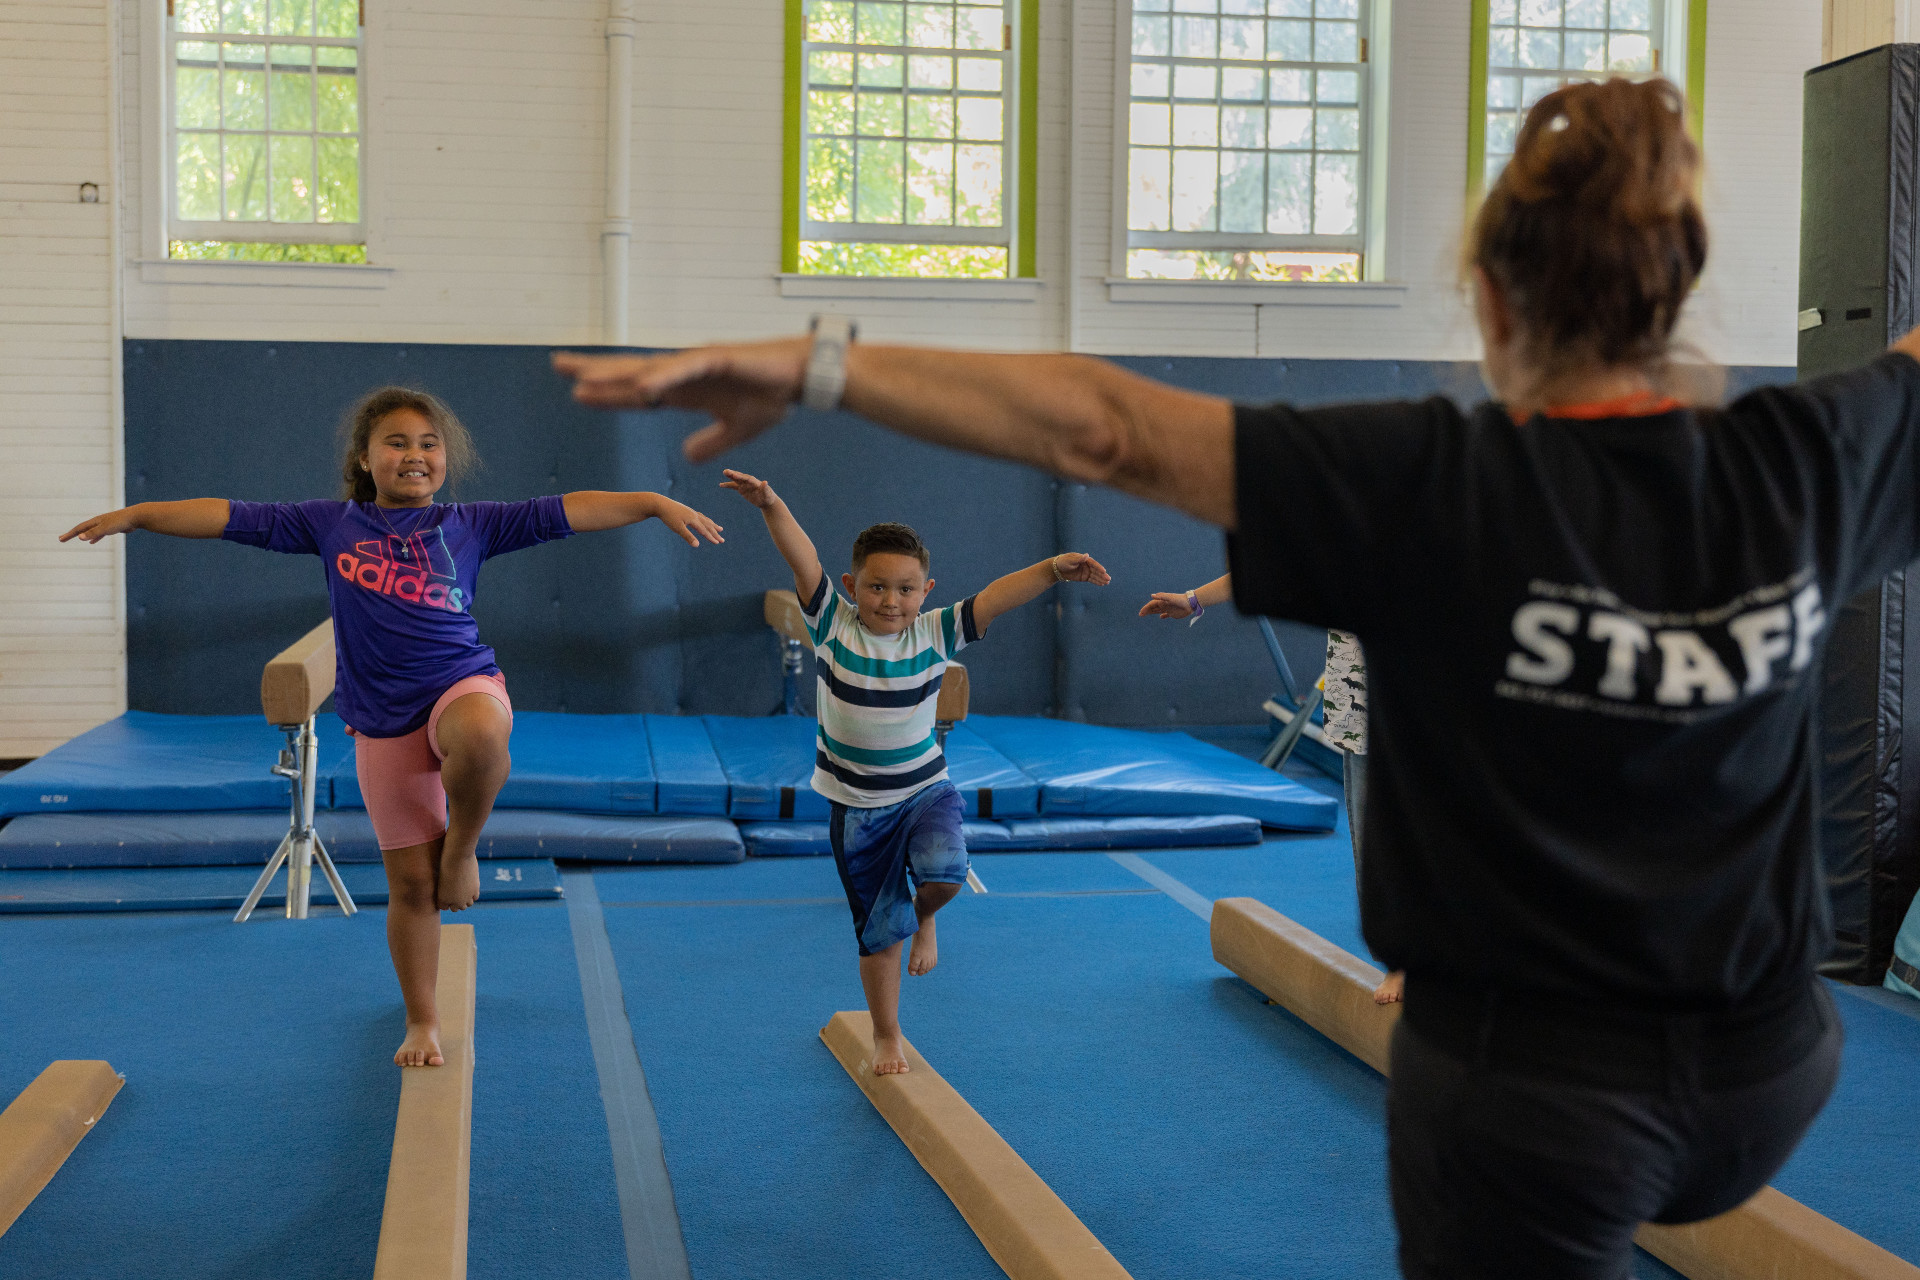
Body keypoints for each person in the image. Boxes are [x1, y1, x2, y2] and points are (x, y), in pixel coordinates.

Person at [554, 76, 1920, 1278]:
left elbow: (1102, 426)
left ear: (1491, 302)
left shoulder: (1427, 481)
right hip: (1771, 1070)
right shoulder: (1802, 462)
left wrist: (821, 361)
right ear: (1679, 291)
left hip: (1533, 1099)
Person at [61, 387, 724, 1069]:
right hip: (382, 719)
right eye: (397, 443)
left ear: (445, 460)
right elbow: (230, 516)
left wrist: (652, 502)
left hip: (460, 682)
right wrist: (138, 514)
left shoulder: (472, 524)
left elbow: (570, 509)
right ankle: (422, 1019)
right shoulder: (330, 525)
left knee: (483, 736)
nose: (415, 455)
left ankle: (462, 848)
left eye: (428, 444)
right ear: (365, 459)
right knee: (410, 888)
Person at [719, 468, 1109, 1075]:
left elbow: (998, 595)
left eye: (905, 589)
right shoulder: (832, 623)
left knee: (948, 878)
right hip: (856, 806)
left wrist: (1053, 568)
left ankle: (925, 915)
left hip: (925, 789)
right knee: (880, 932)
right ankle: (887, 1033)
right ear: (851, 585)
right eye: (876, 587)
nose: (890, 601)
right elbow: (803, 556)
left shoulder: (935, 632)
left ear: (927, 590)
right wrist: (771, 503)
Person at [1144, 575, 1402, 1004]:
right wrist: (1194, 600)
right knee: (1373, 836)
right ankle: (1401, 959)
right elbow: (1269, 560)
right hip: (1360, 697)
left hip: (1427, 693)